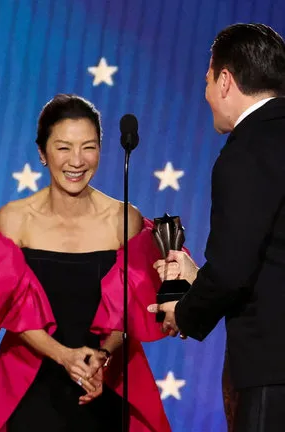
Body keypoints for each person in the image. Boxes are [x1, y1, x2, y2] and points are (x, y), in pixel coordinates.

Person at [0, 94, 175, 431]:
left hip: (103, 380)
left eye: (88, 147)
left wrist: (103, 356)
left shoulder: (124, 219)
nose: (76, 160)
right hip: (32, 382)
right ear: (42, 153)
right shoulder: (15, 219)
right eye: (63, 147)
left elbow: (129, 306)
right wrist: (64, 356)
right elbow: (14, 308)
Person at [149, 23, 285, 432]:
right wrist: (197, 276)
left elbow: (232, 271)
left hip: (272, 370)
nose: (206, 93)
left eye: (208, 81)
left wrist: (184, 312)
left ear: (226, 81)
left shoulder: (247, 149)